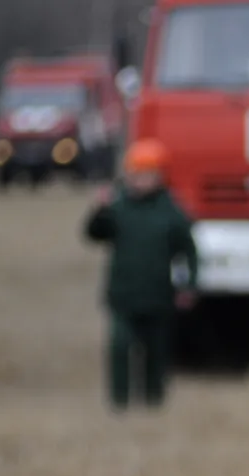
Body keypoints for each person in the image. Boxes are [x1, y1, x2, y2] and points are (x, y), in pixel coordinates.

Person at [83, 139, 198, 411]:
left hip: (158, 296)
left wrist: (189, 285)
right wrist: (99, 209)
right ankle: (119, 403)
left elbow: (189, 251)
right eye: (136, 174)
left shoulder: (171, 211)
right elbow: (93, 234)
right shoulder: (118, 206)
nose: (141, 181)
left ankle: (153, 401)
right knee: (120, 348)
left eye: (148, 175)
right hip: (123, 295)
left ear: (161, 177)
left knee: (156, 353)